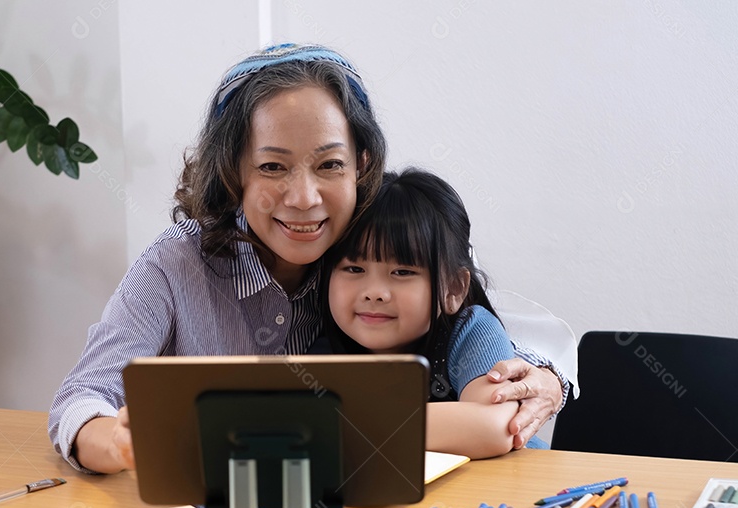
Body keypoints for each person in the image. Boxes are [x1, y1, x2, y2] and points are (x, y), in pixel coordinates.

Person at [49, 44, 570, 474]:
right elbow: (83, 396)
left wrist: (548, 377)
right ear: (234, 171)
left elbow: (471, 324)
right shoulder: (173, 264)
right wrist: (115, 444)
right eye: (273, 166)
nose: (304, 198)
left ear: (360, 165)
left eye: (330, 164)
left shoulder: (362, 244)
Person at [322, 168, 542, 459]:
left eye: (402, 272)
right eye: (354, 269)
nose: (374, 292)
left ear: (453, 289)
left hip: (509, 495)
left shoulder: (471, 331)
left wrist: (348, 425)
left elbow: (495, 427)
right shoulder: (321, 341)